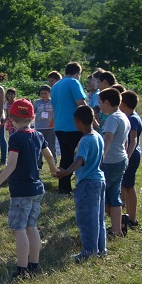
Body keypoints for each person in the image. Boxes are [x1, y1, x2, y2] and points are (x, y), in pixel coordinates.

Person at [0, 99, 59, 279]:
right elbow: (49, 155)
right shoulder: (38, 135)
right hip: (37, 189)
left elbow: (11, 165)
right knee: (32, 226)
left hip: (22, 191)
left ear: (11, 118)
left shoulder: (15, 138)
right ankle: (34, 264)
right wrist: (54, 170)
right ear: (32, 117)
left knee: (19, 229)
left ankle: (22, 268)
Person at [53, 106, 106, 262]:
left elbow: (80, 159)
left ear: (77, 121)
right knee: (98, 218)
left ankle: (89, 251)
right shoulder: (98, 136)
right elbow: (101, 157)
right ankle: (101, 249)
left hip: (87, 184)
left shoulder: (85, 140)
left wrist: (66, 172)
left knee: (87, 218)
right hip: (99, 180)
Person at [51, 62, 89, 194]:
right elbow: (81, 104)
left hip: (59, 126)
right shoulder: (74, 82)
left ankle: (64, 187)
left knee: (66, 157)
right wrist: (92, 122)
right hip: (74, 126)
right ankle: (83, 185)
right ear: (78, 73)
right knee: (81, 156)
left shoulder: (55, 86)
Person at [97, 88, 130, 239]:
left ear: (107, 102)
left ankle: (100, 230)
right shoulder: (123, 116)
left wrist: (101, 157)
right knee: (115, 196)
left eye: (100, 102)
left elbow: (108, 138)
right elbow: (126, 140)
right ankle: (117, 230)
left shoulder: (111, 119)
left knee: (101, 195)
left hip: (110, 161)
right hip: (121, 159)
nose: (99, 106)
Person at [120, 90, 142, 230]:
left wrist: (126, 157)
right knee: (126, 186)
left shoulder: (132, 118)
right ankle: (128, 215)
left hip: (132, 156)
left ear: (123, 104)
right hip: (131, 155)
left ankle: (132, 219)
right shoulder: (129, 116)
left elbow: (133, 140)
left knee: (129, 186)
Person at [33, 85, 56, 154]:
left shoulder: (53, 102)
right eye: (41, 93)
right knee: (38, 145)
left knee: (51, 145)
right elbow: (33, 112)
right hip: (39, 127)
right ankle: (39, 163)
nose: (43, 95)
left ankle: (53, 162)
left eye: (45, 93)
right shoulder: (37, 102)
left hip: (50, 127)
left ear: (49, 93)